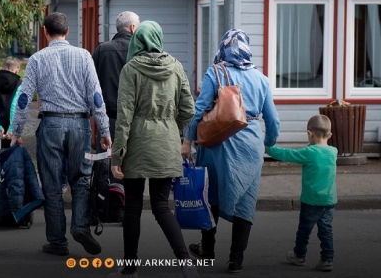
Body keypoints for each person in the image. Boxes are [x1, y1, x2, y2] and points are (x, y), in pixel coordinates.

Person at [10, 12, 111, 256]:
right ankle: (80, 226)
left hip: (51, 125)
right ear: (67, 32)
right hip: (80, 125)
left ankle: (57, 241)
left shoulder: (36, 59)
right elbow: (96, 97)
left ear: (45, 32)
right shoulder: (84, 56)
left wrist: (16, 131)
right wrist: (105, 129)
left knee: (53, 184)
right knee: (81, 179)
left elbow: (24, 98)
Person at [181, 29, 280, 274]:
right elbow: (273, 119)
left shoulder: (215, 72)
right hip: (251, 145)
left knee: (210, 195)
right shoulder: (261, 78)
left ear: (223, 48)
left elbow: (200, 109)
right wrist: (268, 142)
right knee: (246, 202)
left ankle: (207, 249)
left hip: (217, 145)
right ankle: (236, 260)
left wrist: (187, 140)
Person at [110, 20, 198, 278]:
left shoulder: (131, 69)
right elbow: (189, 109)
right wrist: (173, 128)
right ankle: (185, 262)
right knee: (161, 206)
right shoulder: (175, 66)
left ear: (137, 41)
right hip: (167, 142)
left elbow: (124, 115)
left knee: (133, 207)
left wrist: (117, 155)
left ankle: (130, 269)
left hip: (137, 144)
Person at [266, 115, 337, 272]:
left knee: (304, 230)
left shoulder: (309, 152)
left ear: (309, 133)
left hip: (311, 200)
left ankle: (299, 256)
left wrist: (269, 149)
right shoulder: (333, 151)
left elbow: (288, 154)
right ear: (330, 135)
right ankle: (327, 260)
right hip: (329, 200)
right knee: (326, 231)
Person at [92, 11, 140, 152]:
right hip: (135, 122)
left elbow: (91, 84)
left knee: (106, 164)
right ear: (132, 28)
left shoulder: (102, 50)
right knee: (132, 168)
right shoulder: (140, 52)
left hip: (108, 121)